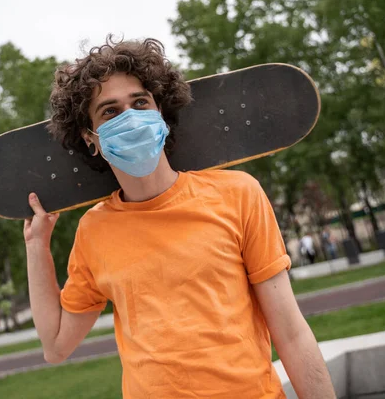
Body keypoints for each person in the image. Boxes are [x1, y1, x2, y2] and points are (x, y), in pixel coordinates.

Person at [24, 36, 335, 398]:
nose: (131, 118)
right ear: (90, 137)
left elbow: (292, 333)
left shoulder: (237, 195)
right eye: (110, 111)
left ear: (161, 114)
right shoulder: (94, 230)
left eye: (140, 103)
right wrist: (36, 247)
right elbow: (56, 346)